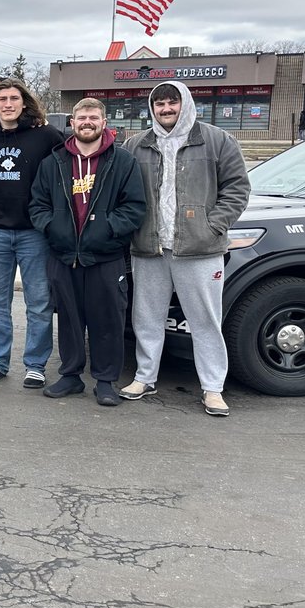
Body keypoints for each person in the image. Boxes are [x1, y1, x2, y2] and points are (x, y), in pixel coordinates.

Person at [121, 81, 251, 416]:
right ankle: (144, 377)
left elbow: (237, 188)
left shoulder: (216, 140)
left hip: (200, 250)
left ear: (186, 104)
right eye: (159, 103)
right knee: (146, 318)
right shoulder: (137, 144)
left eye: (172, 103)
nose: (166, 109)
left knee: (205, 320)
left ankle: (212, 388)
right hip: (149, 248)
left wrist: (212, 225)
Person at [29, 98, 146, 406]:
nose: (87, 122)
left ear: (103, 123)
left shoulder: (122, 161)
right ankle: (70, 375)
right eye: (81, 117)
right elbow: (37, 204)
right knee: (68, 318)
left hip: (105, 257)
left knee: (107, 319)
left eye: (93, 117)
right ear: (72, 122)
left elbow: (134, 208)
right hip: (63, 255)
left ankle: (106, 380)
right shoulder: (54, 161)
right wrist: (53, 227)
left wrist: (106, 229)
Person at [0, 78, 64, 388]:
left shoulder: (47, 136)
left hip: (34, 232)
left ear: (24, 103)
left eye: (14, 98)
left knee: (38, 302)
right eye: (2, 99)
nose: (8, 104)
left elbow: (67, 170)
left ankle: (35, 364)